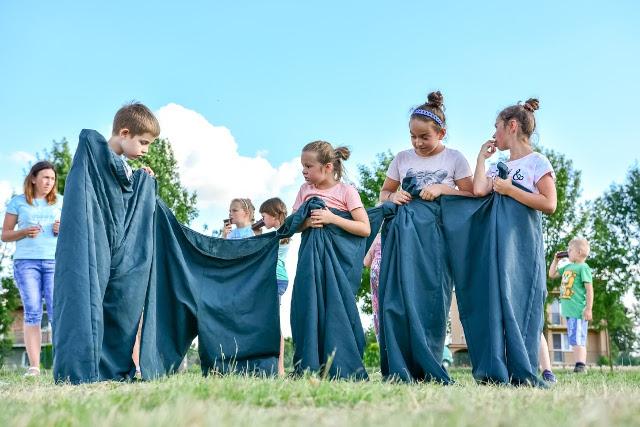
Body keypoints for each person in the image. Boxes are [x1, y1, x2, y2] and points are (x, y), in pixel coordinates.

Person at [53, 102, 160, 383]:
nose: (145, 150)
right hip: (96, 237)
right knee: (86, 295)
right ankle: (81, 368)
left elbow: (127, 200)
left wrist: (143, 181)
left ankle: (110, 368)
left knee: (121, 302)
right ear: (124, 133)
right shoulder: (94, 157)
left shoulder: (125, 167)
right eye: (143, 142)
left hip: (119, 242)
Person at [472, 98, 558, 383]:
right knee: (498, 301)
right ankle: (499, 367)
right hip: (497, 246)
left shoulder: (537, 161)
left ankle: (526, 367)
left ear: (511, 126)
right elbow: (479, 190)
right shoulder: (499, 165)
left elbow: (549, 203)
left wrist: (510, 190)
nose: (493, 133)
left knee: (522, 302)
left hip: (523, 246)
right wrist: (481, 159)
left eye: (496, 127)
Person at [290, 140, 371, 379]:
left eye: (308, 166)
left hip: (337, 264)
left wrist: (332, 218)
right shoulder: (305, 191)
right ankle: (309, 364)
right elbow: (293, 224)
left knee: (335, 309)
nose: (304, 171)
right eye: (302, 166)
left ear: (327, 167)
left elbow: (364, 228)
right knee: (307, 305)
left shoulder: (347, 191)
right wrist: (307, 222)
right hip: (310, 261)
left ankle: (340, 364)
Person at [2, 161, 63, 376]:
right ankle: (34, 366)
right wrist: (24, 231)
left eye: (52, 178)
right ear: (34, 179)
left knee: (57, 312)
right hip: (26, 263)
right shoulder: (18, 202)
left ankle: (62, 363)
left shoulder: (61, 202)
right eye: (45, 177)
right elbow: (5, 234)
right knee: (32, 312)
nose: (49, 182)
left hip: (54, 262)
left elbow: (75, 232)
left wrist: (62, 229)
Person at [380, 91, 473, 204]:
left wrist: (443, 189)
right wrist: (392, 196)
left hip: (442, 215)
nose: (418, 143)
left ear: (441, 134)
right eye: (413, 136)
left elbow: (471, 195)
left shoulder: (455, 158)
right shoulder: (401, 158)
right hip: (407, 215)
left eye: (424, 137)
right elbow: (384, 193)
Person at [549, 238, 593, 373]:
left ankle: (580, 366)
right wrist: (556, 260)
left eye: (570, 249)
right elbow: (551, 274)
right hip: (569, 312)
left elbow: (589, 289)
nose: (567, 252)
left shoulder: (583, 267)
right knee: (573, 338)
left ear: (579, 252)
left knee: (578, 338)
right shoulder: (567, 267)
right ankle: (578, 365)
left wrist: (588, 309)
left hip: (578, 311)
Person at [259, 197, 290, 376]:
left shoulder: (281, 234)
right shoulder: (279, 233)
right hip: (276, 278)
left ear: (274, 215)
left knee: (275, 323)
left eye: (264, 216)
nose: (262, 220)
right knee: (269, 321)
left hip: (276, 278)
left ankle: (280, 368)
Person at [363, 233, 381, 338]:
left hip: (375, 275)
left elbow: (366, 262)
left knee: (378, 309)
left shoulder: (378, 237)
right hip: (389, 274)